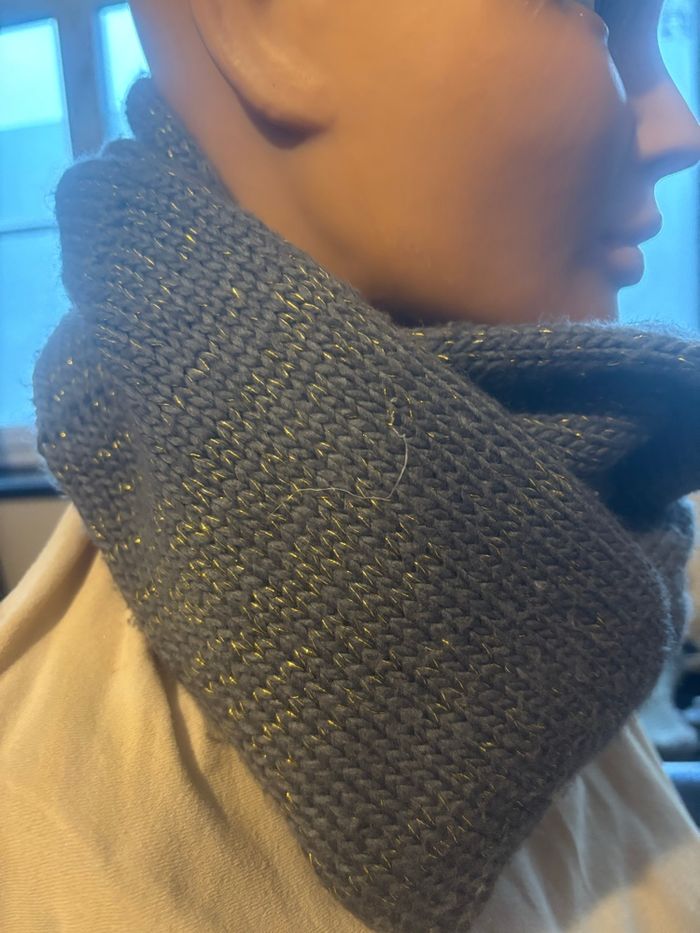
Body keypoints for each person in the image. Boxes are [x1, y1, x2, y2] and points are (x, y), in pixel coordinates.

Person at [2, 1, 700, 930]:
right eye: (592, 12)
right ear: (260, 21)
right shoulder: (47, 857)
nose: (679, 127)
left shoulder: (551, 602)